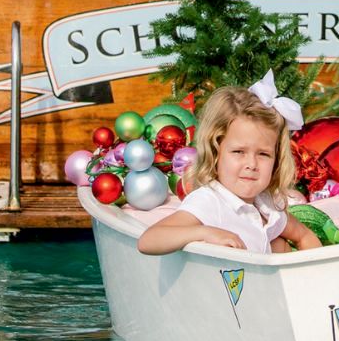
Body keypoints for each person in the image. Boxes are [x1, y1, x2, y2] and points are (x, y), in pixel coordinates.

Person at [137, 77, 324, 255]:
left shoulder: (267, 204)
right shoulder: (211, 201)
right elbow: (149, 240)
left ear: (277, 160)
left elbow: (304, 235)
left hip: (261, 286)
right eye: (238, 152)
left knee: (278, 245)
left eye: (263, 154)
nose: (251, 164)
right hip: (228, 287)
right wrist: (204, 232)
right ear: (216, 151)